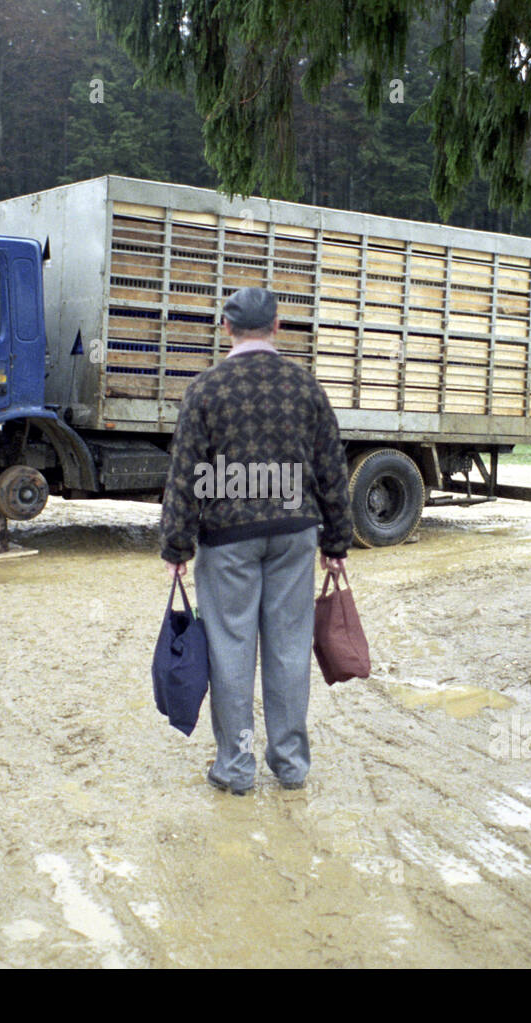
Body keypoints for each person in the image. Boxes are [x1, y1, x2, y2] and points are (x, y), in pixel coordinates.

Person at [160, 287, 354, 794]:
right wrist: (336, 541)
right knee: (289, 650)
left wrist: (176, 546)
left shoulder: (206, 389)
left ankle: (237, 766)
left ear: (226, 328)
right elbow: (332, 468)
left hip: (227, 539)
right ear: (277, 328)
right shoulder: (306, 387)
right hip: (294, 535)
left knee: (231, 650)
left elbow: (185, 472)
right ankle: (290, 765)